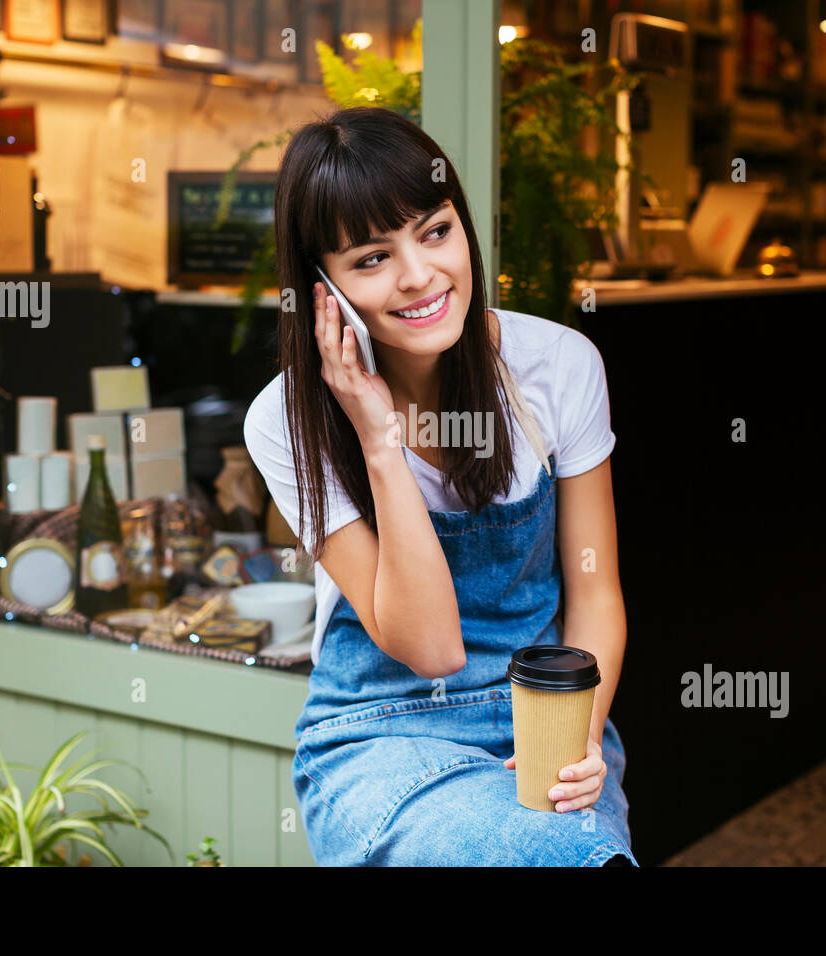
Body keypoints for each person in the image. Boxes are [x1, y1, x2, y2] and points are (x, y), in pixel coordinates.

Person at [243, 106, 636, 866]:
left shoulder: (560, 366)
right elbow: (430, 647)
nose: (419, 276)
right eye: (370, 258)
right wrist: (378, 437)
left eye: (434, 231)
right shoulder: (284, 421)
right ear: (322, 287)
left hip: (546, 714)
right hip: (383, 731)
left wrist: (581, 731)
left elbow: (597, 595)